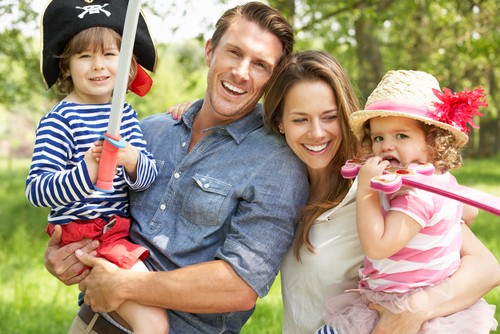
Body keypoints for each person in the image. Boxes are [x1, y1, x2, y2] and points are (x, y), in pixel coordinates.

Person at [43, 2, 310, 333]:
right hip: (90, 323)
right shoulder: (149, 131)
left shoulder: (278, 162)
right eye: (234, 52)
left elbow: (240, 286)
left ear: (273, 78)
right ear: (210, 51)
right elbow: (95, 212)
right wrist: (66, 256)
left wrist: (126, 286)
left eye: (260, 64)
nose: (242, 71)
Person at [262, 55, 500, 333]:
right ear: (280, 123)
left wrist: (414, 311)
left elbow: (486, 266)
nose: (316, 132)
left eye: (330, 117)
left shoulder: (387, 186)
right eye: (300, 119)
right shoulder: (278, 189)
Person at [26, 0, 168, 333]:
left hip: (117, 232)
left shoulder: (126, 115)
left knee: (135, 314)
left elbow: (147, 179)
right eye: (84, 56)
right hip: (86, 235)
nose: (97, 66)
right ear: (66, 67)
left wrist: (132, 160)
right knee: (153, 322)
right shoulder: (59, 121)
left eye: (108, 55)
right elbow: (37, 190)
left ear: (125, 62)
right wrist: (87, 170)